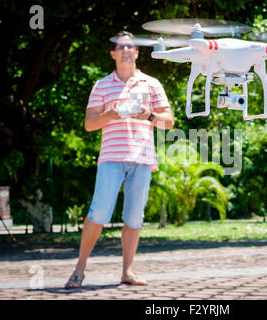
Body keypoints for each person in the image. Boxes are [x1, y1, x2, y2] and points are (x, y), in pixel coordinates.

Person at [65, 31, 174, 288]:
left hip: (142, 158)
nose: (127, 50)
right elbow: (90, 124)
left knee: (134, 218)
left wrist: (149, 116)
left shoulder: (152, 84)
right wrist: (111, 114)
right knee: (99, 213)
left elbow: (169, 123)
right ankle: (79, 269)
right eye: (121, 47)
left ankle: (127, 271)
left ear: (137, 53)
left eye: (131, 47)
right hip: (112, 158)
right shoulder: (101, 85)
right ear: (113, 53)